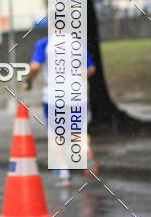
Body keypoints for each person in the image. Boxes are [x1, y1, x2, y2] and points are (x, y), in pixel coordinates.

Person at [22, 35, 96, 184]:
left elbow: (35, 66)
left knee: (56, 135)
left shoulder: (44, 43)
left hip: (54, 98)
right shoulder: (77, 42)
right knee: (79, 131)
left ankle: (64, 174)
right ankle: (84, 150)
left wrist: (28, 81)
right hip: (77, 96)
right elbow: (91, 69)